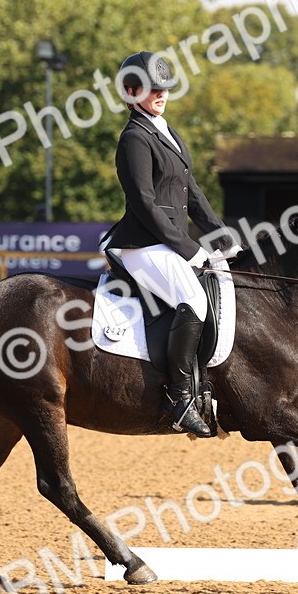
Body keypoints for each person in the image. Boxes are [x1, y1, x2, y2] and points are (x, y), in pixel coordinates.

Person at [102, 51, 241, 438]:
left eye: (164, 88)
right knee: (193, 300)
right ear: (132, 92)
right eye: (152, 88)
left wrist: (221, 235)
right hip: (142, 245)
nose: (161, 94)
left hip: (166, 242)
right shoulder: (134, 139)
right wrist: (188, 248)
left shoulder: (167, 131)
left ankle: (203, 387)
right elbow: (145, 204)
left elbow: (190, 191)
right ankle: (179, 398)